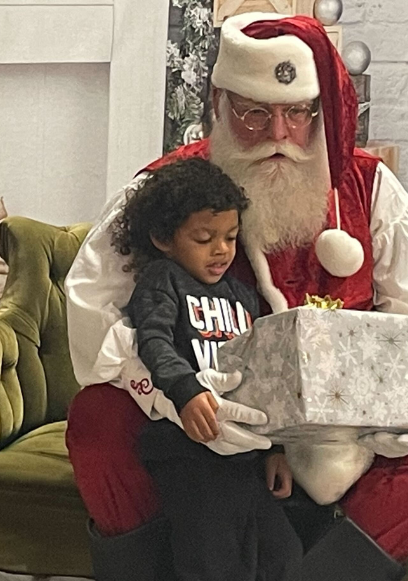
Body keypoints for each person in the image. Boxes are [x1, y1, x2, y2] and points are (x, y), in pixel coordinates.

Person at [65, 12, 408, 581]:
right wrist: (172, 398)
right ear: (220, 103)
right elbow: (94, 307)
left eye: (297, 113)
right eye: (255, 113)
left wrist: (404, 402)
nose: (279, 136)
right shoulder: (166, 188)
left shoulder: (370, 191)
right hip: (202, 419)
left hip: (341, 434)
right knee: (96, 420)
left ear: (321, 110)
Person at [112, 157, 302, 581]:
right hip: (188, 454)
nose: (221, 250)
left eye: (231, 238)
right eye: (204, 238)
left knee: (282, 554)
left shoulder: (243, 296)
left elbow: (259, 375)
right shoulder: (163, 280)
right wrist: (184, 390)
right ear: (164, 238)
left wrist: (274, 450)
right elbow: (154, 340)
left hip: (244, 457)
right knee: (210, 562)